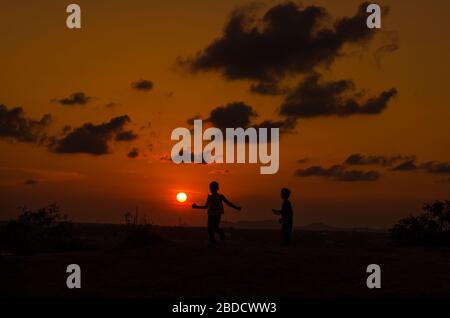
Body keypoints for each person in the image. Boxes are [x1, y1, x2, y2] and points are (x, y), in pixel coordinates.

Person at [192, 181, 241, 245]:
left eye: (213, 187)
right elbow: (206, 206)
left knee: (215, 228)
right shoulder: (209, 197)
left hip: (217, 215)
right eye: (211, 188)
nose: (211, 189)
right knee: (210, 230)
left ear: (217, 188)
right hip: (210, 215)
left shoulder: (220, 196)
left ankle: (222, 235)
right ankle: (213, 243)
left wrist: (236, 207)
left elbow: (228, 203)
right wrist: (196, 207)